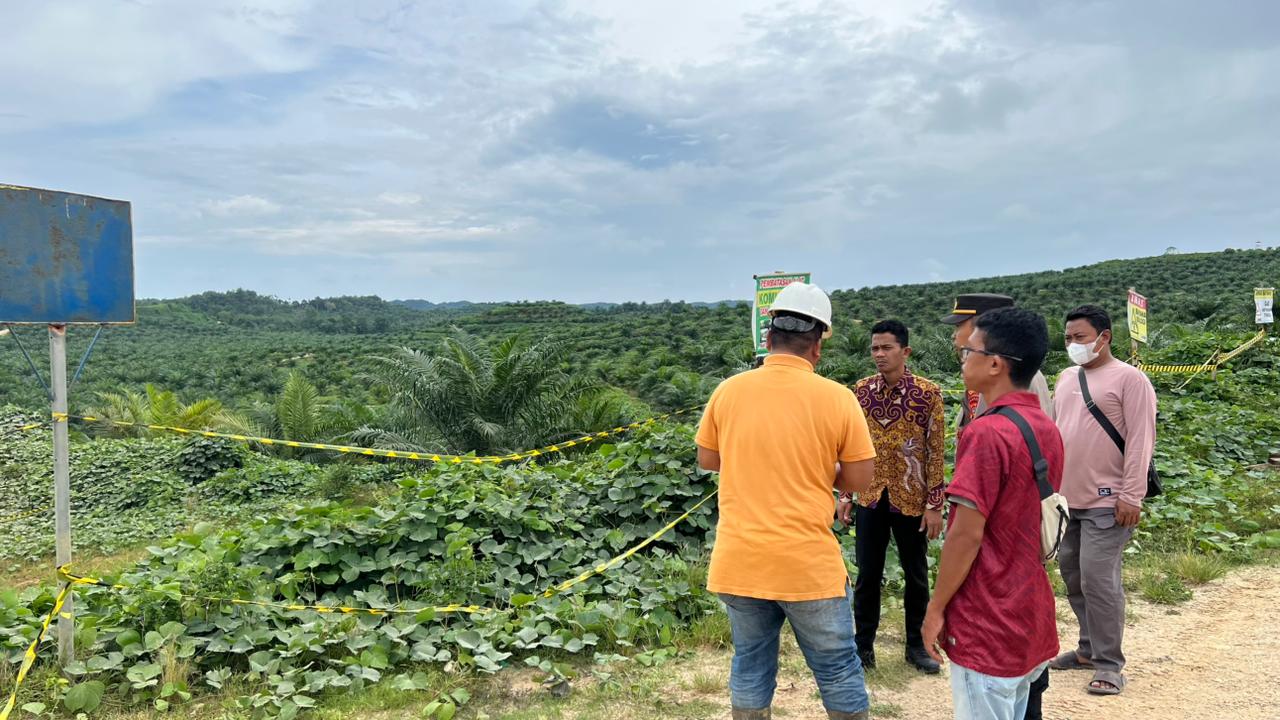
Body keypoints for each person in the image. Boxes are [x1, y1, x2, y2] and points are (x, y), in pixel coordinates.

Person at [696, 281, 877, 720]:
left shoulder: (728, 390)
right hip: (806, 566)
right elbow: (859, 478)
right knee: (836, 668)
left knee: (751, 664)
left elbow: (708, 458)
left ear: (769, 338)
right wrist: (820, 469)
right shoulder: (837, 398)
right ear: (817, 346)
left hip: (740, 561)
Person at [922, 307, 1063, 720]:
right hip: (1029, 609)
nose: (963, 359)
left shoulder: (985, 432)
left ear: (996, 364)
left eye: (969, 351)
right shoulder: (1044, 427)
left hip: (987, 619)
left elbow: (966, 536)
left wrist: (936, 609)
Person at [1049, 305, 1157, 696]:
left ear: (1104, 337)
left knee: (1099, 579)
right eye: (1067, 338)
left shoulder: (1131, 380)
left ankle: (1110, 665)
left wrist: (1132, 494)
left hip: (1109, 501)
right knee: (1073, 574)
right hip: (1068, 500)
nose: (1072, 345)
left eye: (1079, 337)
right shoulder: (1065, 377)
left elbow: (1141, 441)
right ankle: (1086, 649)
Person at [837, 320, 945, 674]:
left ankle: (917, 646)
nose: (879, 355)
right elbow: (850, 447)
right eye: (874, 348)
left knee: (916, 574)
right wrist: (845, 494)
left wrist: (934, 505)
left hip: (912, 497)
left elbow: (935, 451)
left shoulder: (928, 394)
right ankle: (862, 647)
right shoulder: (861, 391)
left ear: (905, 351)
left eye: (886, 348)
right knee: (868, 573)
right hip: (870, 495)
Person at [942, 293, 1054, 422]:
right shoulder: (983, 373)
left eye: (958, 326)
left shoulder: (1015, 377)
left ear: (982, 326)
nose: (954, 335)